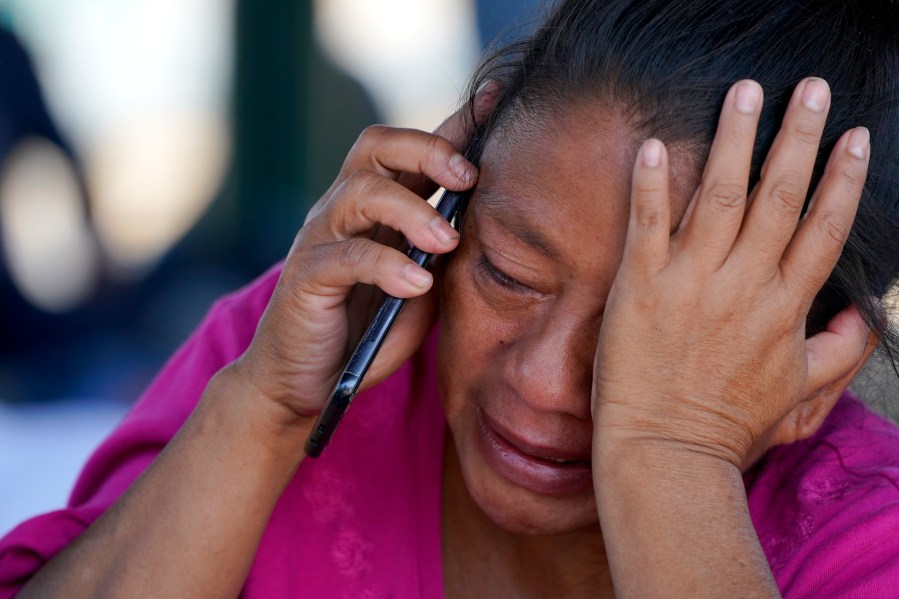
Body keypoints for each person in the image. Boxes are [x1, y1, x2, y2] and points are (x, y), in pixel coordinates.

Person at [2, 0, 899, 596]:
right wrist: (262, 410)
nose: (543, 382)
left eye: (653, 338)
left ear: (815, 372)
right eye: (506, 273)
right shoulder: (311, 349)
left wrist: (671, 456)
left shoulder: (865, 539)